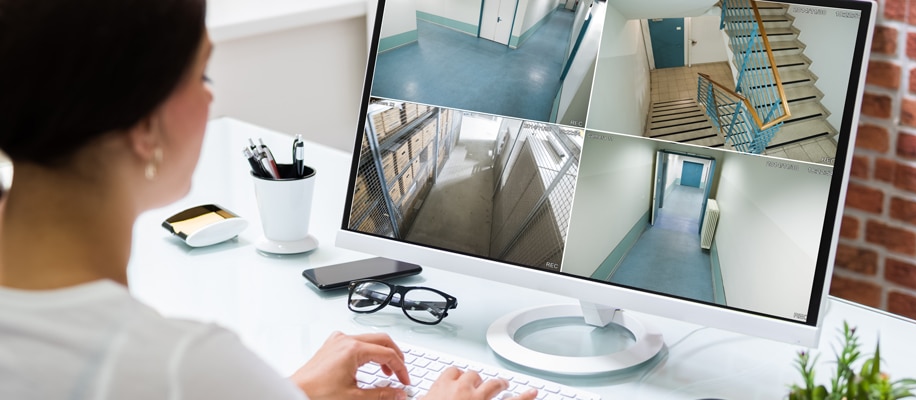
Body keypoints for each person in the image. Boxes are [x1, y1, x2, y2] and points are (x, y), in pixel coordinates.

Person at [0, 1, 537, 399]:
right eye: (202, 74)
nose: (212, 96)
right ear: (145, 127)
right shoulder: (181, 367)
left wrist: (288, 393)